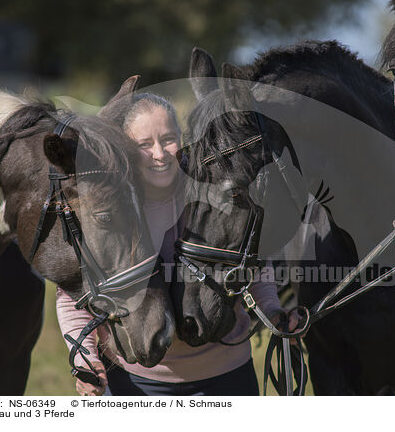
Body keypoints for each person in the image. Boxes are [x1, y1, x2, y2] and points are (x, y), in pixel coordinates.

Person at [56, 91, 294, 396]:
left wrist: (274, 311)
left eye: (168, 138)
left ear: (182, 139)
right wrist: (84, 357)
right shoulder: (109, 210)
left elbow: (251, 261)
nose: (160, 153)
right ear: (127, 149)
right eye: (144, 144)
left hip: (227, 375)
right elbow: (72, 296)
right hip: (136, 383)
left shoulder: (214, 190)